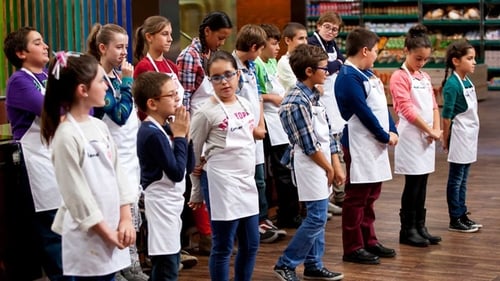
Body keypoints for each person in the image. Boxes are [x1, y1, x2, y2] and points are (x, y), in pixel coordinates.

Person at [40, 52, 136, 280]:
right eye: (102, 81)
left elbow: (118, 174)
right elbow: (76, 195)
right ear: (82, 90)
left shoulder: (98, 126)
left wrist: (125, 218)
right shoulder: (66, 135)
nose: (107, 86)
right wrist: (105, 232)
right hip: (89, 234)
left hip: (112, 225)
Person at [4, 26, 73, 281]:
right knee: (53, 231)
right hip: (36, 161)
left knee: (69, 226)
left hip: (58, 156)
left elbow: (81, 109)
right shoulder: (19, 81)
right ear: (21, 53)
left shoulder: (47, 77)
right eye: (37, 42)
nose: (46, 46)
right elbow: (51, 110)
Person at [273, 44, 344, 281]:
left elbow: (329, 132)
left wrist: (336, 163)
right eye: (324, 68)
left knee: (319, 216)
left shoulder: (314, 95)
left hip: (322, 162)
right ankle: (286, 263)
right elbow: (309, 144)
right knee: (316, 217)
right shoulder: (294, 101)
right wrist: (328, 167)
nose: (328, 71)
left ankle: (313, 264)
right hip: (310, 164)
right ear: (309, 71)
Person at [133, 14, 199, 268]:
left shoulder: (171, 66)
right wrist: (174, 130)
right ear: (149, 37)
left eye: (171, 33)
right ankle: (159, 253)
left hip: (176, 130)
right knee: (167, 182)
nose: (170, 38)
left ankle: (175, 247)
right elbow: (144, 108)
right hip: (162, 133)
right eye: (164, 34)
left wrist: (184, 129)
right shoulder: (143, 67)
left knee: (179, 189)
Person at [188, 50, 259, 281]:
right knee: (223, 246)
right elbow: (194, 154)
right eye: (216, 77)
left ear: (238, 74)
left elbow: (251, 139)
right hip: (221, 183)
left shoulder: (246, 104)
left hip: (246, 181)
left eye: (228, 75)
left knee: (251, 244)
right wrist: (197, 191)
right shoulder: (205, 112)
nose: (224, 82)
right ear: (210, 81)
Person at [86, 23, 148, 280]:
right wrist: (127, 81)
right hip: (109, 156)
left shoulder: (113, 76)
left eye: (126, 47)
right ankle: (122, 266)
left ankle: (129, 263)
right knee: (118, 214)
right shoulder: (96, 76)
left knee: (132, 216)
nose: (124, 52)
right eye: (118, 47)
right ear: (103, 48)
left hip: (128, 154)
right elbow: (120, 114)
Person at [335, 28, 398, 265]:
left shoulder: (366, 73)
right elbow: (363, 112)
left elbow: (382, 106)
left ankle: (369, 239)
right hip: (360, 144)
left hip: (375, 143)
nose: (376, 56)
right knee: (357, 197)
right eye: (375, 51)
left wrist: (393, 129)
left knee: (371, 195)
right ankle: (352, 246)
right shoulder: (348, 77)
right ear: (364, 50)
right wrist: (384, 135)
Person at [177, 10, 233, 255]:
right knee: (198, 178)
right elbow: (185, 96)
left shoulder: (210, 54)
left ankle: (218, 233)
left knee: (216, 181)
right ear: (207, 31)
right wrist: (186, 131)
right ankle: (206, 236)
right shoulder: (189, 56)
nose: (222, 43)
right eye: (219, 37)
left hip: (216, 125)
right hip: (197, 127)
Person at [133, 72, 195, 281]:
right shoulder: (150, 132)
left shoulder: (163, 127)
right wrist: (179, 137)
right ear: (152, 103)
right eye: (171, 94)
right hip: (160, 205)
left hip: (172, 204)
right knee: (167, 266)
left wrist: (185, 136)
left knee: (169, 263)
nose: (177, 98)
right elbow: (177, 173)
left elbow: (188, 166)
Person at [389, 24, 443, 247]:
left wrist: (437, 129)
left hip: (427, 137)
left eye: (425, 59)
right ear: (406, 52)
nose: (421, 63)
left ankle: (421, 226)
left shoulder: (424, 77)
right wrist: (429, 130)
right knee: (412, 183)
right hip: (411, 136)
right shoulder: (398, 77)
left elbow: (433, 106)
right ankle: (407, 229)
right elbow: (407, 109)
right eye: (418, 58)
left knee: (423, 182)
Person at [233, 24, 285, 243]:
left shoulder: (252, 66)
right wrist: (251, 127)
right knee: (247, 180)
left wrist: (260, 123)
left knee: (260, 180)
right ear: (254, 47)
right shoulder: (231, 67)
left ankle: (261, 219)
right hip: (242, 134)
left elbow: (256, 97)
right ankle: (250, 224)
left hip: (257, 130)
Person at [254, 23, 301, 230]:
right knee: (274, 173)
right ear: (261, 45)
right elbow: (259, 95)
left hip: (279, 122)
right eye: (273, 44)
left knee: (285, 170)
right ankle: (278, 216)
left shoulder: (271, 62)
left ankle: (289, 213)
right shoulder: (256, 64)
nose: (277, 48)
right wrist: (272, 97)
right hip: (267, 123)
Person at [307, 11, 346, 215]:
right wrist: (335, 65)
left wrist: (335, 64)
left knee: (336, 143)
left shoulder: (331, 45)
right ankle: (329, 193)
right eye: (328, 27)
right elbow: (328, 67)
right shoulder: (313, 42)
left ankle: (337, 192)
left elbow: (339, 61)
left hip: (332, 98)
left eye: (335, 29)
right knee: (327, 144)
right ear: (319, 26)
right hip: (321, 97)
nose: (331, 31)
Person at [441, 40, 482, 233]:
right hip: (459, 136)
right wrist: (445, 139)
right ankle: (454, 217)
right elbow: (446, 117)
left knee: (464, 178)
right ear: (456, 61)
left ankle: (462, 213)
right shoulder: (452, 85)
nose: (474, 62)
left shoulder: (467, 80)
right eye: (470, 58)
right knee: (456, 179)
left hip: (469, 135)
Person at [277, 22, 308, 93]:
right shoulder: (284, 63)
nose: (305, 42)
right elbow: (299, 88)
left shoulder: (307, 59)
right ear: (288, 40)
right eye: (301, 38)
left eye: (306, 38)